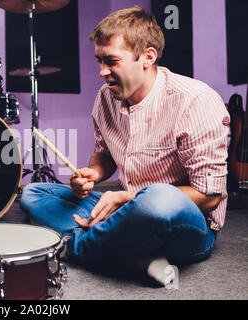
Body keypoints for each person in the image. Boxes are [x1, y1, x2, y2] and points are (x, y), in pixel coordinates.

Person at [20, 6, 230, 286]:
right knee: (34, 193)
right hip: (125, 210)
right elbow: (104, 154)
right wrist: (93, 173)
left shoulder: (195, 101)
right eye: (99, 61)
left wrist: (128, 197)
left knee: (157, 199)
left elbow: (209, 196)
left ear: (148, 56)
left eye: (111, 61)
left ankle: (75, 247)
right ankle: (130, 252)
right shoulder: (107, 96)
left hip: (186, 223)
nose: (102, 71)